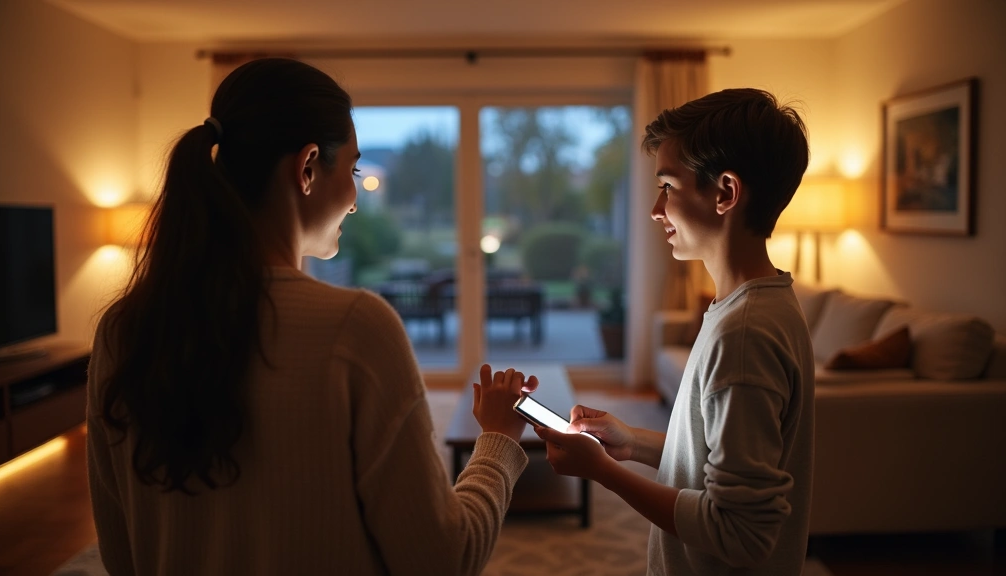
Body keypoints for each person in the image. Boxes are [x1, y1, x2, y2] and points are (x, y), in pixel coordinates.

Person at [86, 58, 537, 576]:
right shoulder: (356, 330)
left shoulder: (121, 332)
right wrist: (498, 440)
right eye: (353, 170)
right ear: (306, 169)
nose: (354, 199)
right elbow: (443, 559)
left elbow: (123, 554)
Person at [530, 88, 815, 575]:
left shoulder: (744, 336)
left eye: (668, 186)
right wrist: (631, 442)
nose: (655, 208)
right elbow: (719, 465)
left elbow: (742, 534)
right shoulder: (751, 308)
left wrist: (601, 472)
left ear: (725, 192)